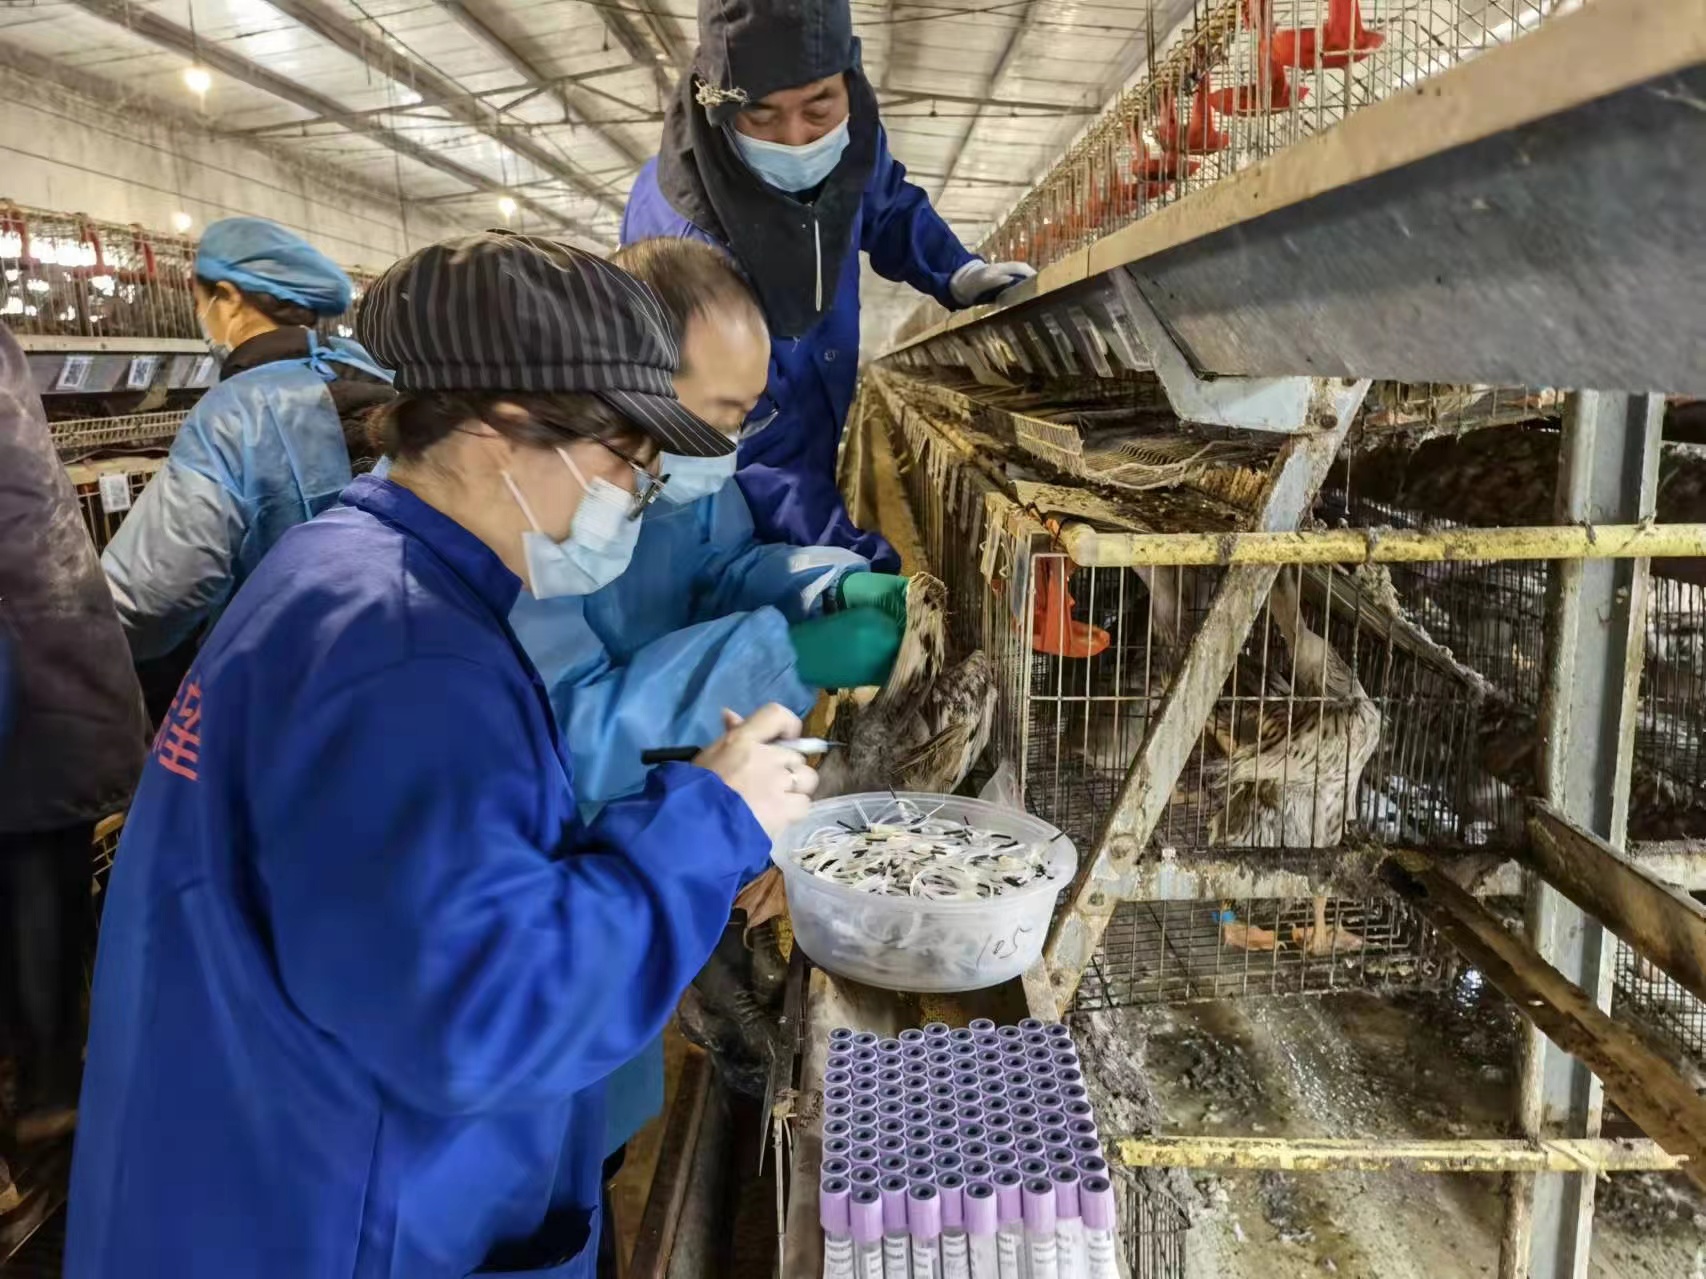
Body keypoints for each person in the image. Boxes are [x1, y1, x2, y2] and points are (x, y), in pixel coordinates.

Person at [66, 232, 816, 1279]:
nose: (636, 493)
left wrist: (682, 800)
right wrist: (710, 819)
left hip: (265, 1172)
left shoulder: (343, 570)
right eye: (623, 458)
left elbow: (446, 884)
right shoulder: (407, 656)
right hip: (340, 1222)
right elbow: (487, 1010)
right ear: (501, 429)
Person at [506, 236, 911, 1185]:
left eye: (748, 411)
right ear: (633, 383)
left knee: (589, 1153)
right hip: (573, 882)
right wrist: (787, 655)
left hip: (643, 867)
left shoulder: (681, 475)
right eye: (722, 411)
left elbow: (719, 568)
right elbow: (572, 736)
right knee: (541, 1157)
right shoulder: (533, 519)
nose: (735, 439)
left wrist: (824, 585)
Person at [621, 0, 1035, 574]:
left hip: (812, 418)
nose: (796, 139)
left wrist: (954, 270)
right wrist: (850, 563)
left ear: (849, 80)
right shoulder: (691, 254)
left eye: (818, 108)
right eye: (761, 116)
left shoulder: (848, 133)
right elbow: (750, 451)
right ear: (715, 104)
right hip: (735, 491)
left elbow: (883, 201)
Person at [101, 216, 392, 719]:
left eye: (201, 300)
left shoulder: (237, 410)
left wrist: (71, 638)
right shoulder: (374, 372)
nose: (202, 314)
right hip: (405, 655)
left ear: (229, 298)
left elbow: (154, 597)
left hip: (289, 691)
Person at [0, 325, 148, 1173]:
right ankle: (57, 1084)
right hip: (61, 682)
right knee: (45, 891)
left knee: (36, 892)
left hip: (33, 694)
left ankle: (51, 1097)